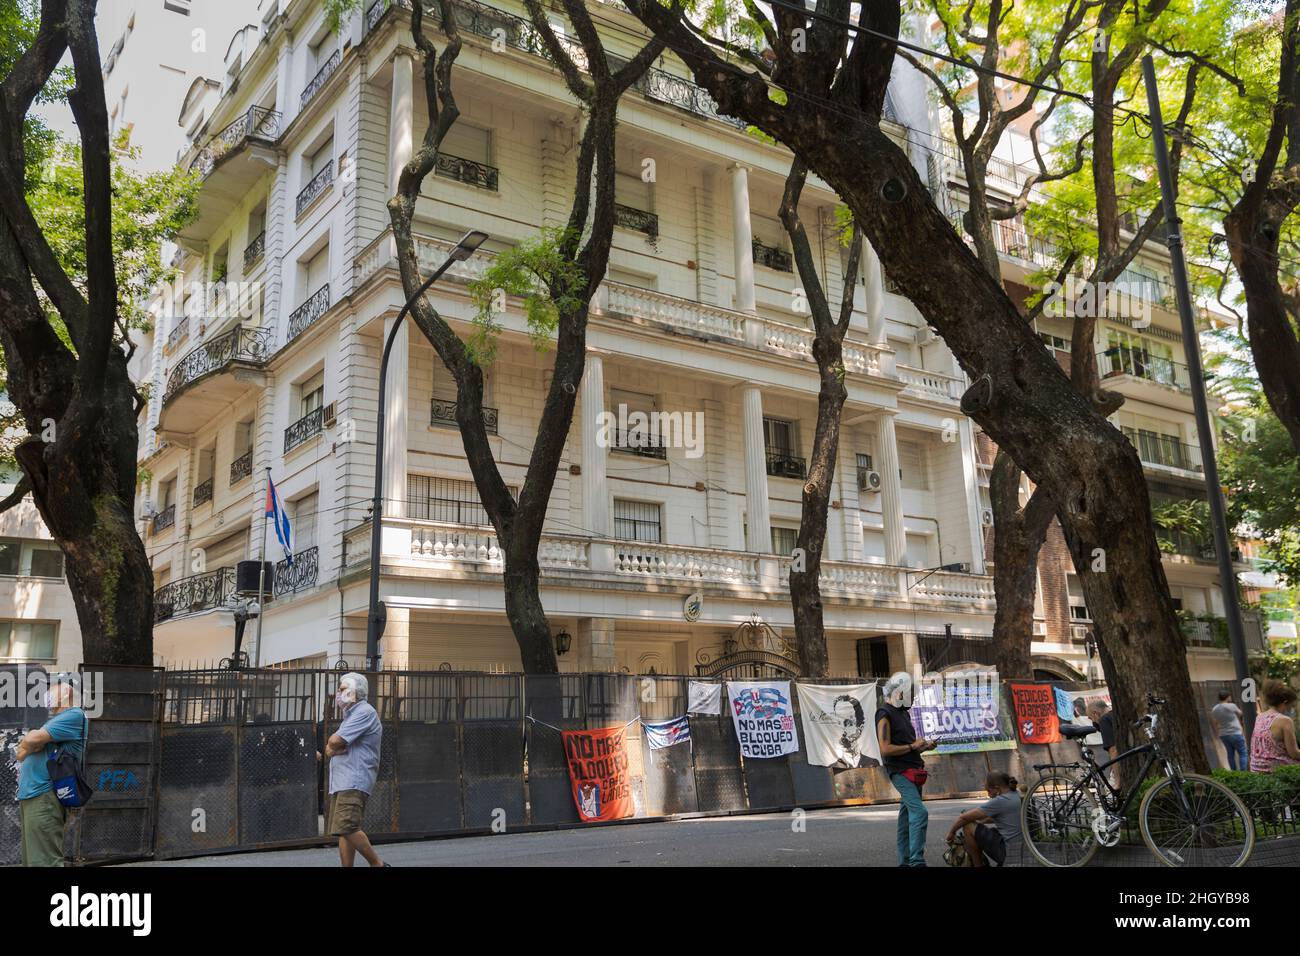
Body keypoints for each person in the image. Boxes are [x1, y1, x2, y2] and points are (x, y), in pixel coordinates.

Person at [13, 673, 88, 867]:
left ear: (66, 691)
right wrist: (32, 741)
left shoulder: (73, 715)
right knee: (33, 860)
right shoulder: (54, 721)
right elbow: (20, 753)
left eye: (50, 687)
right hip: (32, 795)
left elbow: (30, 741)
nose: (45, 692)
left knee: (44, 861)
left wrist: (32, 740)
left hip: (44, 796)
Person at [323, 673, 387, 867]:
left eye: (343, 690)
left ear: (355, 692)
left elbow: (334, 742)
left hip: (353, 779)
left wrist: (332, 745)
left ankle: (378, 864)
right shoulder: (350, 715)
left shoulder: (364, 712)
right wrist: (331, 747)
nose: (339, 694)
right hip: (343, 781)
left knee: (347, 826)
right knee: (343, 829)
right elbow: (329, 748)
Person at [876, 671, 937, 867]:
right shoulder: (884, 713)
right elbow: (885, 749)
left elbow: (909, 744)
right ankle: (917, 862)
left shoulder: (903, 713)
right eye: (910, 693)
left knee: (905, 821)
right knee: (920, 813)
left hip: (915, 770)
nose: (912, 697)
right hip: (900, 772)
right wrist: (912, 746)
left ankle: (904, 862)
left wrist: (925, 746)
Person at [945, 771, 1023, 867]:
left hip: (1009, 853)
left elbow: (963, 818)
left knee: (968, 825)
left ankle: (978, 865)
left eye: (989, 791)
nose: (989, 795)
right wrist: (981, 821)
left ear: (997, 788)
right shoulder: (1016, 794)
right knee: (986, 829)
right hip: (1023, 849)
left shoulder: (1000, 800)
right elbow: (1005, 818)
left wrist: (951, 833)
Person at [1249, 681, 1300, 773]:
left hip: (1256, 769)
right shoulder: (1285, 720)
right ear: (1285, 703)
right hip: (1275, 771)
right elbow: (1294, 754)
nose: (1291, 709)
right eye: (1291, 705)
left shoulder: (1260, 717)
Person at [1211, 690, 1248, 771]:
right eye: (1230, 696)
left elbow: (1215, 722)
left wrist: (1217, 733)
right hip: (1235, 732)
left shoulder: (1214, 709)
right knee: (1242, 753)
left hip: (1223, 734)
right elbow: (1241, 713)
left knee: (1230, 754)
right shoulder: (1231, 706)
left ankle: (1234, 772)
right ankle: (1244, 773)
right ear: (1227, 697)